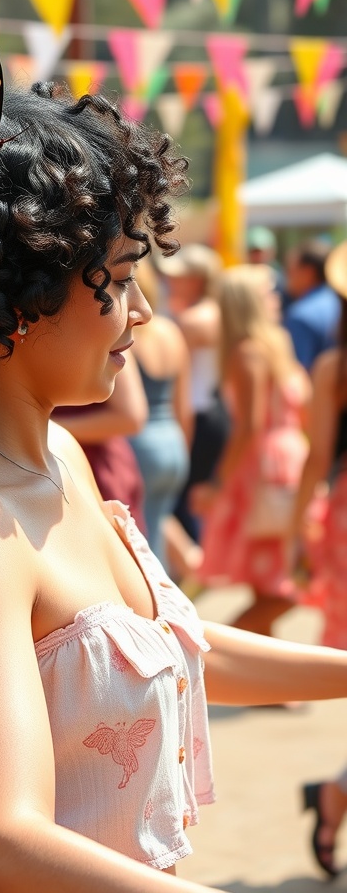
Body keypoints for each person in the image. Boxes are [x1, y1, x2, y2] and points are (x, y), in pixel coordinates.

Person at [0, 26, 347, 893]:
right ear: (15, 296)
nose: (141, 316)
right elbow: (6, 843)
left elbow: (168, 646)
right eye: (121, 279)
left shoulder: (53, 449)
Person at [193, 264, 311, 638]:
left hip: (272, 467)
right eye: (268, 293)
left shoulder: (258, 348)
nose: (276, 298)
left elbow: (251, 427)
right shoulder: (262, 349)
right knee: (278, 577)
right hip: (274, 467)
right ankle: (228, 661)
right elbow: (253, 426)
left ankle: (222, 658)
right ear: (251, 303)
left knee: (284, 578)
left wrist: (217, 481)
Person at [288, 240, 347, 876]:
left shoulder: (334, 363)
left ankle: (335, 794)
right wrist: (300, 529)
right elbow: (316, 455)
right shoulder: (333, 366)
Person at [157, 244, 230, 543]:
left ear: (197, 280)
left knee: (186, 504)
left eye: (179, 277)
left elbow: (179, 385)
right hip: (213, 411)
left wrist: (181, 436)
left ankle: (195, 569)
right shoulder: (216, 313)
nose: (170, 282)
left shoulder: (193, 321)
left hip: (196, 416)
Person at [128, 258, 192, 569]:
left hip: (138, 446)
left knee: (140, 546)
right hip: (174, 444)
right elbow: (184, 406)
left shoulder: (126, 336)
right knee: (156, 532)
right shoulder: (171, 332)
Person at [53, 352, 148, 534]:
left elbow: (131, 417)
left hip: (99, 469)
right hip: (69, 469)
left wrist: (47, 427)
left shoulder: (109, 339)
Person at [284, 238, 340, 371]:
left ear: (308, 272)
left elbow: (299, 374)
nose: (287, 277)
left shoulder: (301, 315)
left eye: (291, 270)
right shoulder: (339, 303)